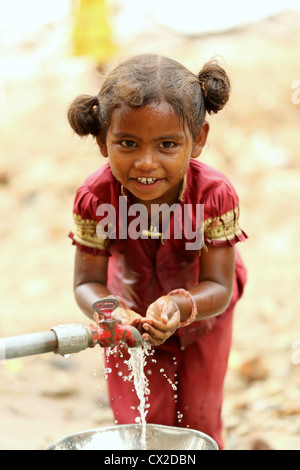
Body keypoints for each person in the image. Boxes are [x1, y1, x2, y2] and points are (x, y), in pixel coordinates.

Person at [67, 54, 247, 449]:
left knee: (198, 420)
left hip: (202, 319)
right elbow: (87, 283)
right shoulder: (96, 198)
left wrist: (180, 307)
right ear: (102, 141)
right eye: (127, 143)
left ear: (198, 139)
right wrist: (111, 312)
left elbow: (218, 283)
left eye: (168, 144)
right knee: (139, 424)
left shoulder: (214, 195)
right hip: (126, 319)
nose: (147, 162)